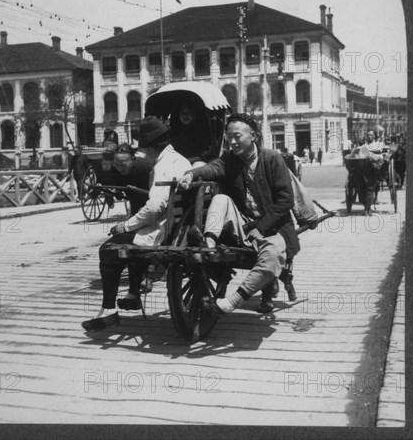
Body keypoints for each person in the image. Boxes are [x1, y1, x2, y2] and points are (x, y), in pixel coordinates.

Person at [178, 113, 298, 315]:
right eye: (229, 137)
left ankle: (233, 301)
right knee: (221, 199)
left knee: (274, 256)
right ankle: (208, 243)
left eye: (237, 136)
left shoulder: (272, 159)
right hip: (244, 224)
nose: (232, 142)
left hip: (274, 226)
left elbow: (285, 201)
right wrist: (191, 174)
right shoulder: (230, 160)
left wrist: (261, 228)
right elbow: (211, 168)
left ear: (254, 136)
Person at [81, 116, 191, 332]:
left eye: (144, 148)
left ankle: (109, 311)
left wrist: (127, 225)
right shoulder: (180, 159)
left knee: (109, 250)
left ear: (150, 146)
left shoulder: (164, 166)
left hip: (161, 232)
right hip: (177, 227)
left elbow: (154, 207)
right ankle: (132, 295)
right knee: (129, 241)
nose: (144, 154)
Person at [349, 129, 384, 215]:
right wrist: (356, 151)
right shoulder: (364, 146)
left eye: (371, 135)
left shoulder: (378, 144)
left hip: (372, 168)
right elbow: (356, 154)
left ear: (374, 136)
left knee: (369, 189)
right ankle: (366, 208)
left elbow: (380, 156)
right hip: (363, 168)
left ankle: (368, 208)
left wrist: (371, 156)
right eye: (368, 135)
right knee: (361, 189)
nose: (369, 136)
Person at [111, 143, 152, 215]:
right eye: (117, 165)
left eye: (123, 165)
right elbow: (119, 188)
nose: (120, 168)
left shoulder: (145, 169)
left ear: (132, 159)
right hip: (134, 202)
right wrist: (117, 192)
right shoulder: (115, 170)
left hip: (150, 201)